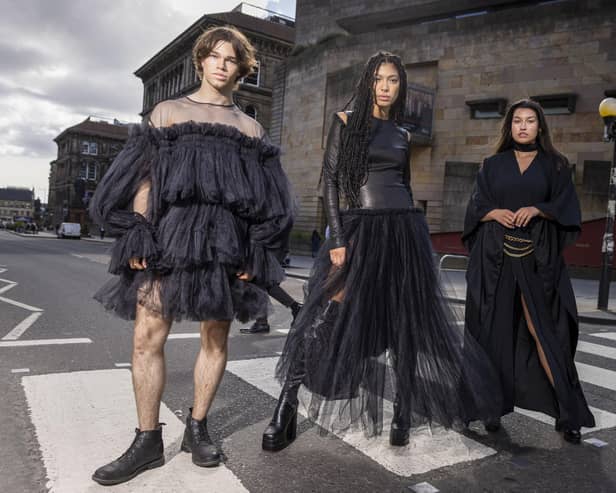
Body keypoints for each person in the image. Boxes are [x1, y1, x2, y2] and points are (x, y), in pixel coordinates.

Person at [262, 51, 502, 452]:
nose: (386, 87)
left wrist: (415, 236)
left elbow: (404, 186)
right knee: (323, 313)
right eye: (379, 79)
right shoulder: (345, 122)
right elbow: (333, 184)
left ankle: (403, 415)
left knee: (405, 324)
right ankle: (284, 410)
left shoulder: (403, 134)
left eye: (393, 80)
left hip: (404, 229)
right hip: (358, 230)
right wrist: (338, 240)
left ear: (400, 85)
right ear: (367, 82)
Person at [88, 26, 293, 485]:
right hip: (170, 233)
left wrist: (254, 249)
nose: (222, 64)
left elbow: (267, 199)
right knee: (146, 336)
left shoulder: (250, 128)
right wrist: (139, 233)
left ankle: (197, 427)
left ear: (242, 68)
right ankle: (146, 439)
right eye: (214, 56)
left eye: (231, 59)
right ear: (201, 60)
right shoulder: (167, 113)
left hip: (227, 239)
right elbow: (145, 180)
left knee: (216, 339)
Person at [462, 99, 595, 444]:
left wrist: (538, 208)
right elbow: (476, 207)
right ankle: (487, 408)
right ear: (510, 127)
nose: (523, 126)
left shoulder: (556, 165)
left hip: (537, 261)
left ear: (540, 127)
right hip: (495, 261)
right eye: (517, 121)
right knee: (491, 332)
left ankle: (569, 414)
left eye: (530, 121)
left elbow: (567, 209)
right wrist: (493, 214)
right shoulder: (491, 165)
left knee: (545, 332)